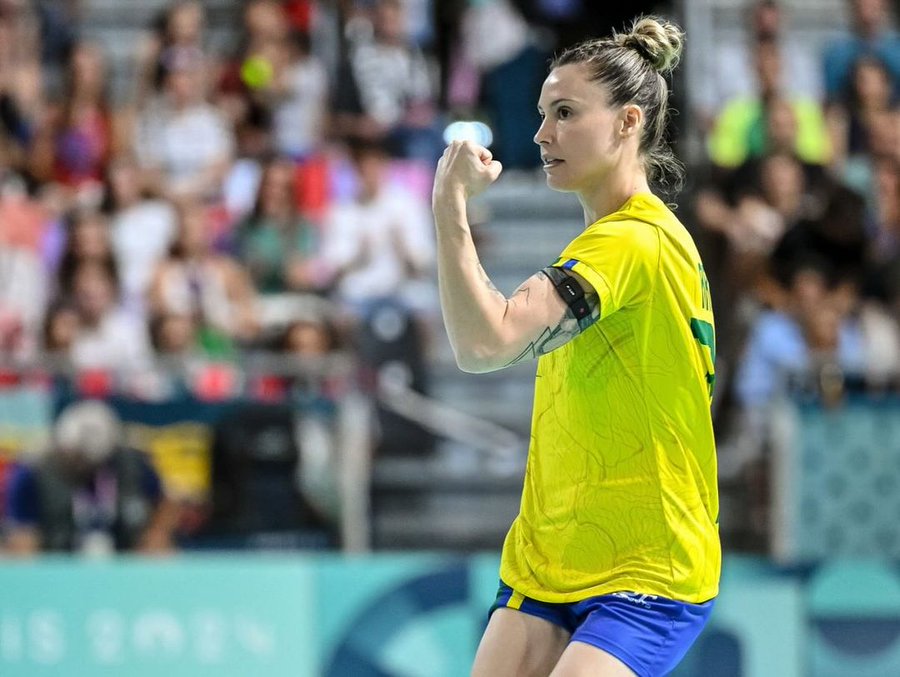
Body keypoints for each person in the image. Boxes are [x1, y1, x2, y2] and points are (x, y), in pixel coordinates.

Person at [431, 16, 719, 676]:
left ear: (628, 123)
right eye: (541, 113)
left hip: (648, 564)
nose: (541, 134)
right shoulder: (611, 242)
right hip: (552, 553)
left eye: (565, 113)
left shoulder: (632, 242)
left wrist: (449, 205)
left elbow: (485, 343)